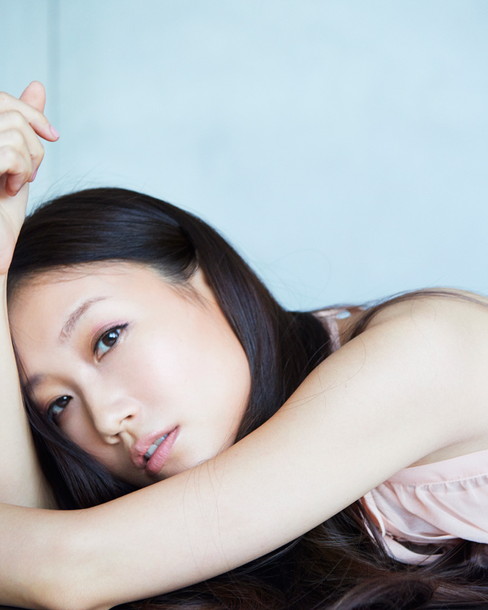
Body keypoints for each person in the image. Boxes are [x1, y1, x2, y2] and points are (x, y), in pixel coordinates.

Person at [0, 82, 487, 610]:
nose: (107, 419)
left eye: (108, 339)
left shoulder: (426, 350)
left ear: (204, 277)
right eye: (59, 404)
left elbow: (66, 568)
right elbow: (30, 542)